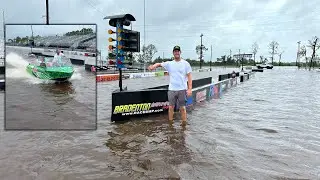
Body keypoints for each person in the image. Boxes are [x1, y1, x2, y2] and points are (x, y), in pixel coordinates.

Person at [148, 45, 192, 124]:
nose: (176, 52)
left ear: (180, 52)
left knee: (182, 108)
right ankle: (170, 124)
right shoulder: (169, 64)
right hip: (172, 89)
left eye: (178, 51)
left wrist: (189, 89)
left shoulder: (186, 64)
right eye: (175, 51)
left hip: (182, 89)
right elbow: (159, 64)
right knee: (171, 107)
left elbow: (189, 77)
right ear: (173, 53)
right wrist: (153, 66)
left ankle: (184, 125)